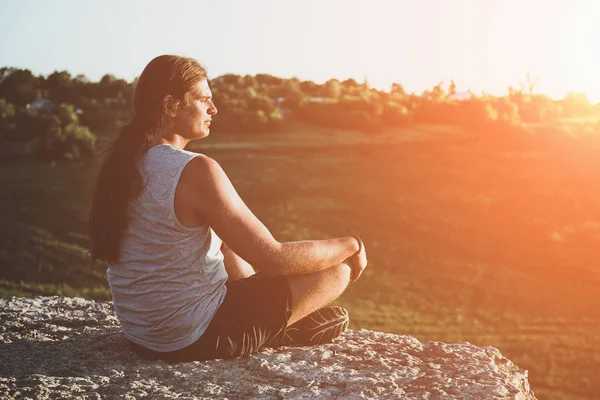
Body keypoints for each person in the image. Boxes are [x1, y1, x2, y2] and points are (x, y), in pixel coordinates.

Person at [88, 54, 367, 363]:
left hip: (142, 337)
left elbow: (234, 252)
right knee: (336, 272)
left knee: (222, 237)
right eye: (204, 100)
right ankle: (276, 330)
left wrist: (257, 292)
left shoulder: (123, 164)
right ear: (170, 106)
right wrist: (351, 245)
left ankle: (268, 324)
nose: (213, 109)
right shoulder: (194, 169)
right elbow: (274, 258)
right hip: (194, 339)